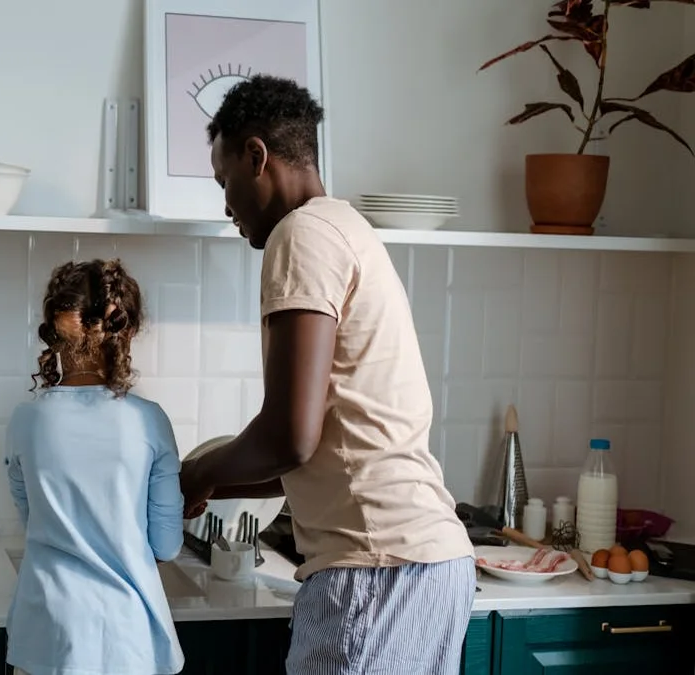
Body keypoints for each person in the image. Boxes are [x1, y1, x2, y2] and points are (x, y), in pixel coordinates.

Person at [178, 74, 475, 674]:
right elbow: (311, 458)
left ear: (256, 156)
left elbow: (291, 436)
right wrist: (210, 484)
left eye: (223, 180)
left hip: (375, 570)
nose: (226, 204)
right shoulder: (346, 227)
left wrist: (192, 473)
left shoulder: (302, 234)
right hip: (423, 563)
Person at [4, 259, 185, 675]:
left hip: (45, 635)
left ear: (53, 330)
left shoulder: (24, 422)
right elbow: (166, 546)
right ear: (128, 332)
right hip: (126, 642)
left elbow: (34, 519)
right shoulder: (149, 421)